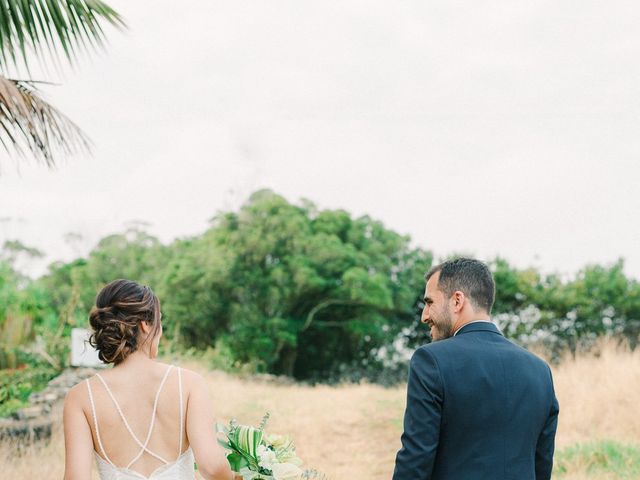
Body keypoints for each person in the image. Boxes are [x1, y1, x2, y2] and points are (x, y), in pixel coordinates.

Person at [393, 258, 559, 480]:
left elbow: (415, 459)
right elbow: (542, 465)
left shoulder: (431, 360)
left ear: (457, 301)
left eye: (430, 302)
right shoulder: (540, 370)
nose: (424, 315)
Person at [63, 279, 234, 480]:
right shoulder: (189, 384)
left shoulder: (81, 397)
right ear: (145, 324)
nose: (160, 331)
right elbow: (212, 467)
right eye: (159, 321)